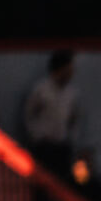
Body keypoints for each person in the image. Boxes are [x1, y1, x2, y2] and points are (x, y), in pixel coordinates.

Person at [23, 50, 78, 178]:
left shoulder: (72, 93)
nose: (71, 73)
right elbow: (28, 115)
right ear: (60, 69)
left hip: (62, 147)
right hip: (44, 147)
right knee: (43, 181)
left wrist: (70, 139)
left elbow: (75, 119)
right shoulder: (41, 90)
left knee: (62, 182)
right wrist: (36, 137)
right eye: (68, 69)